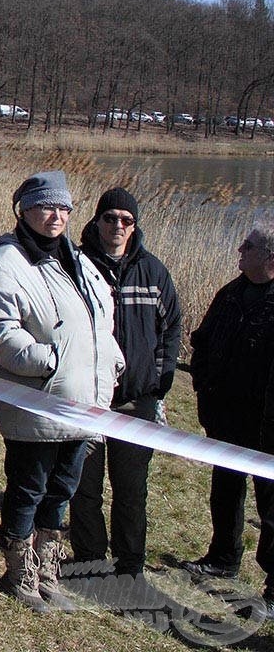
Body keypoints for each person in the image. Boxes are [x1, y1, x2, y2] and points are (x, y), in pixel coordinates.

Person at [0, 171, 122, 612]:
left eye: (63, 208)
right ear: (25, 210)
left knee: (62, 490)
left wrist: (111, 360)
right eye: (45, 207)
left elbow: (100, 321)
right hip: (39, 400)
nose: (55, 216)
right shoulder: (7, 260)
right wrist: (47, 362)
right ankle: (19, 571)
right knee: (28, 488)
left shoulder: (78, 260)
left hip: (85, 402)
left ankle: (46, 565)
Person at [69, 187, 181, 577]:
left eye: (126, 220)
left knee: (131, 490)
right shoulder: (77, 265)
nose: (117, 226)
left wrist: (159, 381)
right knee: (84, 486)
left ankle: (129, 563)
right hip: (88, 396)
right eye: (110, 218)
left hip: (137, 401)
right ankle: (88, 557)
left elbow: (171, 330)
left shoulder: (153, 272)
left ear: (135, 227)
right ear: (96, 221)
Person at [181, 224, 274, 611]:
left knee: (272, 510)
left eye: (248, 246)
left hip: (268, 426)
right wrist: (202, 381)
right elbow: (201, 340)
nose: (239, 249)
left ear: (270, 257)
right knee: (225, 490)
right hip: (226, 418)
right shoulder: (231, 293)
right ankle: (222, 559)